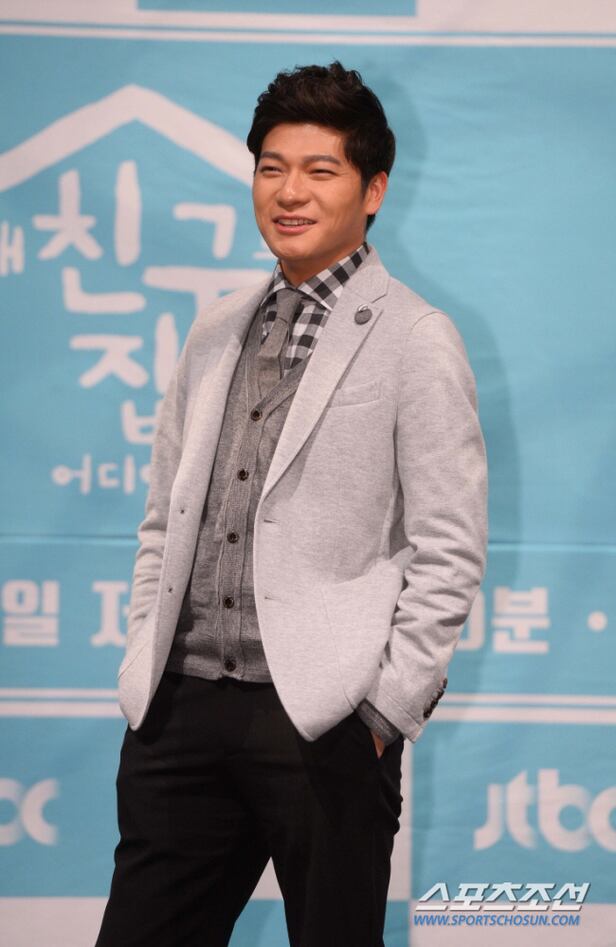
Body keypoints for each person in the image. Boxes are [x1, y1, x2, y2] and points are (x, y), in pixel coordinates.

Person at [95, 60, 488, 947]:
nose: (289, 192)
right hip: (181, 709)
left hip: (324, 721)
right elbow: (165, 514)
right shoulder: (216, 328)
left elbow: (451, 546)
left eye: (319, 170)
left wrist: (384, 712)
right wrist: (144, 664)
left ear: (373, 190)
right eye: (271, 168)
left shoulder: (417, 337)